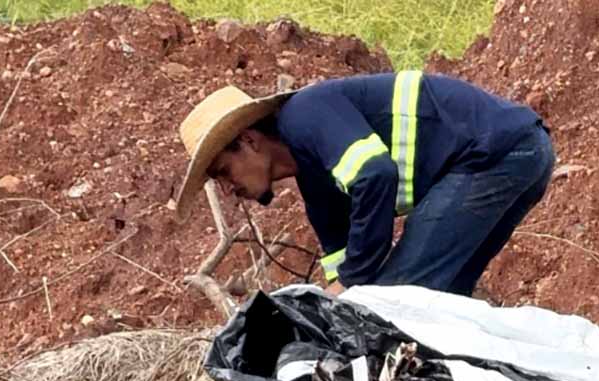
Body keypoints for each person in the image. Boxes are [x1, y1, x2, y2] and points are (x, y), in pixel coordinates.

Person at [175, 71, 554, 296]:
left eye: (223, 172)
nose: (227, 190)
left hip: (495, 154)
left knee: (396, 302)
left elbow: (376, 174)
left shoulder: (303, 117)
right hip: (518, 153)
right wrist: (336, 296)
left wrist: (354, 283)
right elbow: (340, 275)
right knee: (442, 302)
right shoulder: (318, 181)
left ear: (250, 141)